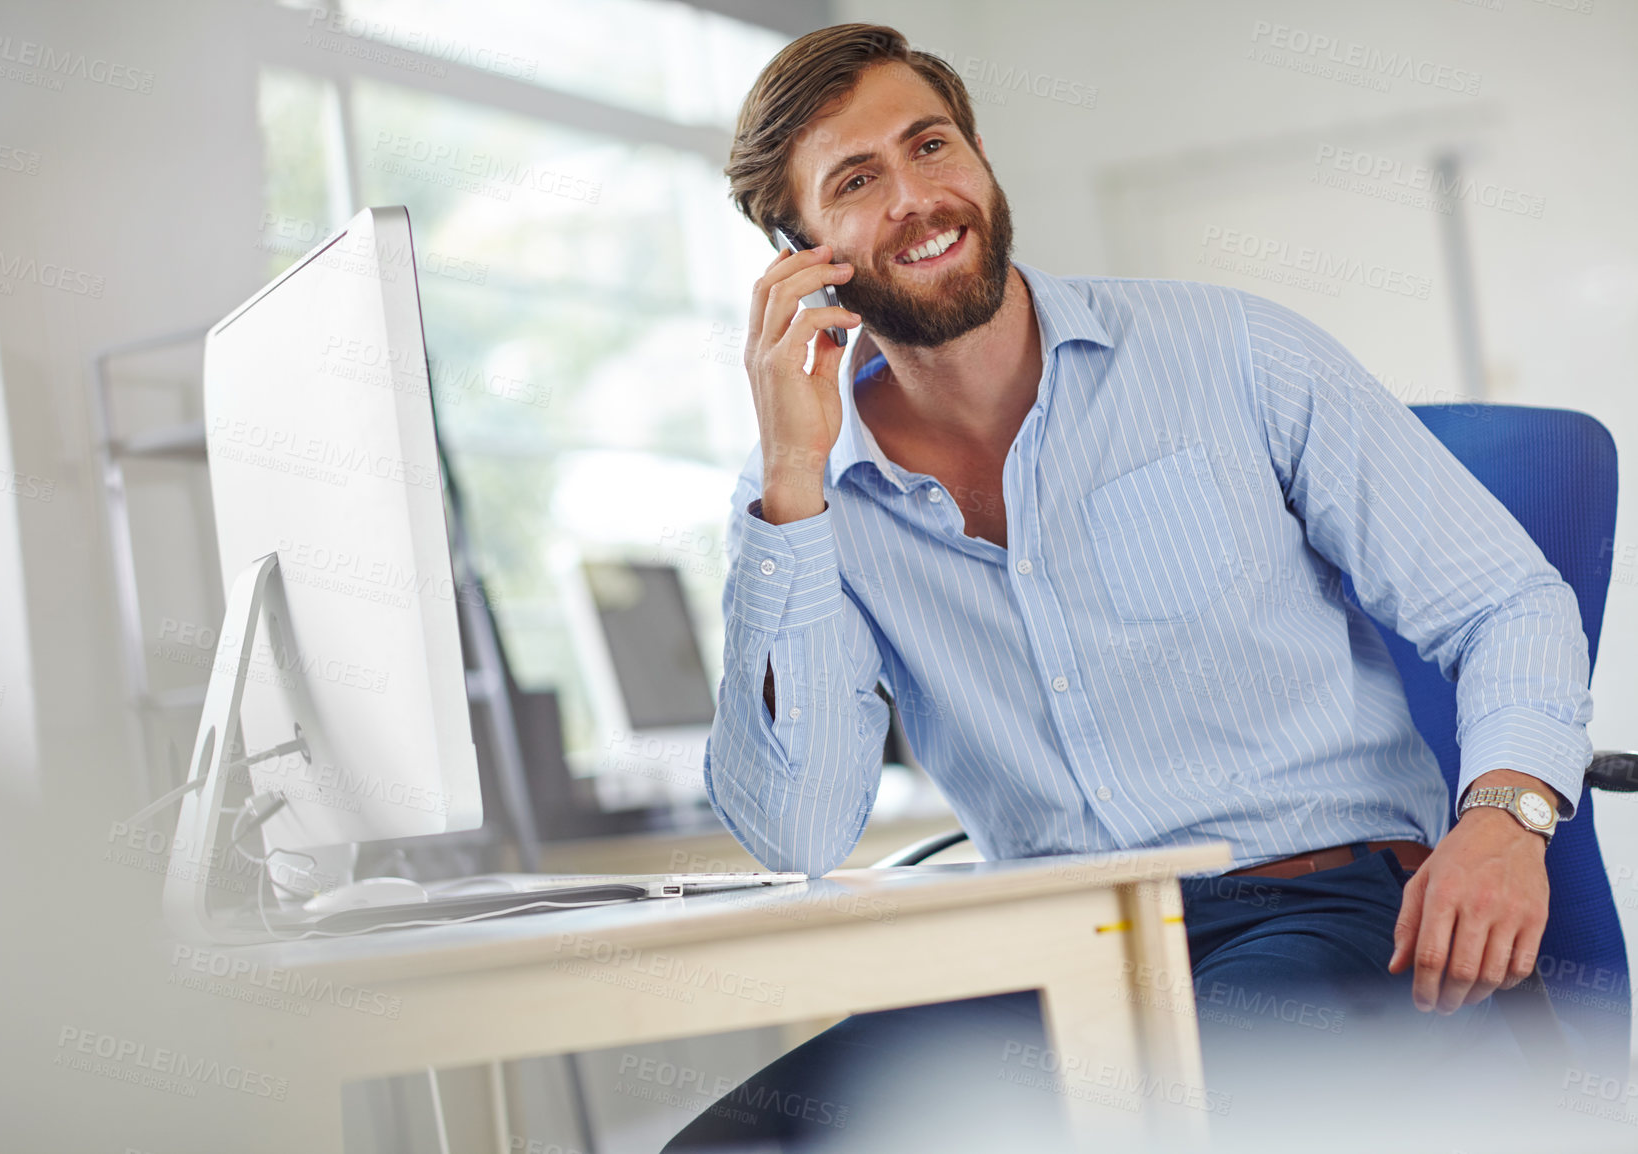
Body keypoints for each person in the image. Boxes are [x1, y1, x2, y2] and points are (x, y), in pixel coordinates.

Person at [665, 23, 1592, 1151]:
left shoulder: (1234, 355)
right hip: (1048, 959)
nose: (916, 197)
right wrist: (793, 486)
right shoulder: (805, 502)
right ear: (795, 249)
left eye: (932, 145)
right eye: (857, 181)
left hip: (1312, 905)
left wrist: (1504, 817)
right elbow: (801, 831)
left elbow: (1504, 600)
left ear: (981, 160)